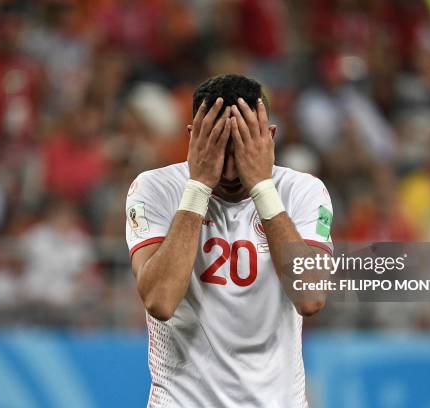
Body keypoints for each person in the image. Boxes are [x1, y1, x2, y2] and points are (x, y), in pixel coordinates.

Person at [125, 74, 333, 407]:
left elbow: (310, 297)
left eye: (242, 150)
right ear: (195, 138)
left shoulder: (302, 191)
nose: (233, 173)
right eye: (221, 150)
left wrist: (263, 188)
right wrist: (198, 187)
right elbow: (160, 301)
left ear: (269, 138)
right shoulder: (155, 188)